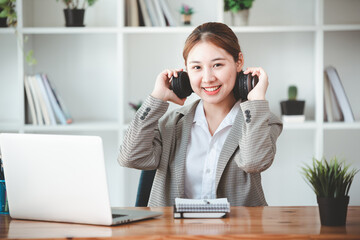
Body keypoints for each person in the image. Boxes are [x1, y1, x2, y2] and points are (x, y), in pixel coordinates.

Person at [118, 22, 283, 207]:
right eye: (197, 67)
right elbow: (130, 157)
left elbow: (254, 162)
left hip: (238, 232)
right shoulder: (171, 124)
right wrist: (157, 98)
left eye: (217, 65)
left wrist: (256, 101)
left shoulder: (262, 121)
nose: (208, 78)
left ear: (239, 62)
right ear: (186, 71)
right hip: (175, 233)